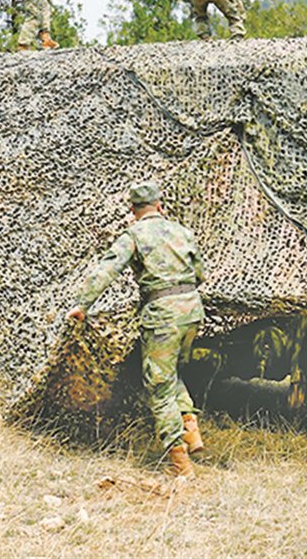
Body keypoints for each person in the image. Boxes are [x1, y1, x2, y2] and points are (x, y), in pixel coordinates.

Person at [66, 182, 206, 477]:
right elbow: (200, 274)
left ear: (132, 211)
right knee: (171, 373)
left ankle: (180, 463)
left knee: (159, 384)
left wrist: (83, 305)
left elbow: (107, 269)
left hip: (163, 316)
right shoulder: (182, 232)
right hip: (192, 311)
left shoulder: (134, 235)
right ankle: (191, 429)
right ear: (160, 205)